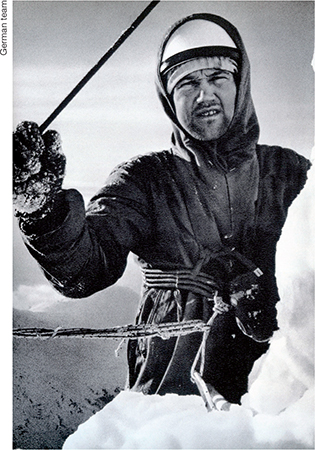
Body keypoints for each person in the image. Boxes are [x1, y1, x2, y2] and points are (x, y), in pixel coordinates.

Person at [13, 13, 311, 409]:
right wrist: (45, 214)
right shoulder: (144, 179)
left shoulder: (289, 172)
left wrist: (274, 291)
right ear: (169, 98)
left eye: (217, 78)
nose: (205, 94)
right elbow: (86, 270)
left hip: (283, 387)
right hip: (172, 392)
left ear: (241, 86)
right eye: (187, 83)